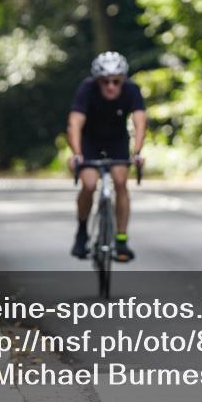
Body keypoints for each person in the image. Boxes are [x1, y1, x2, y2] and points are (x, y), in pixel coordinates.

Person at [66, 51, 146, 262]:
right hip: (89, 142)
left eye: (116, 81)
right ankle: (82, 231)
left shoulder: (131, 90)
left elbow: (140, 122)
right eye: (105, 81)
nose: (111, 86)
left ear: (123, 80)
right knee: (89, 184)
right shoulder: (87, 89)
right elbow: (74, 123)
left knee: (120, 182)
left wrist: (137, 152)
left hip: (117, 141)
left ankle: (121, 240)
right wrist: (77, 154)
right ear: (97, 81)